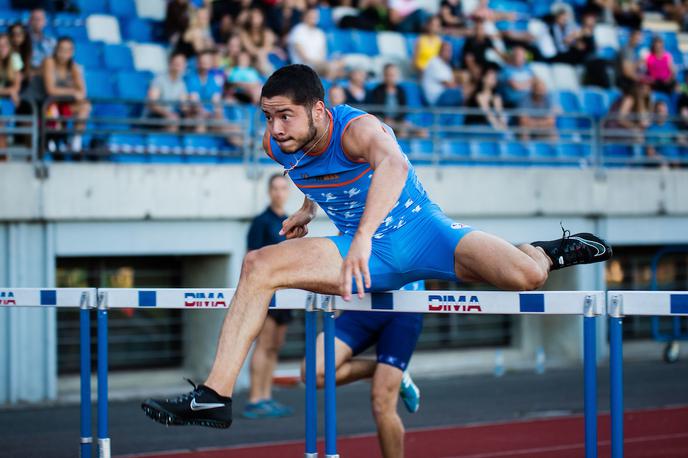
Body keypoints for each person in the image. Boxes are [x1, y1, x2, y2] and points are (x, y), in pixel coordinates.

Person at [141, 64, 613, 429]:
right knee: (258, 265)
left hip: (424, 233)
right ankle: (215, 395)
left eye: (285, 115)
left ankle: (551, 250)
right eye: (269, 116)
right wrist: (308, 209)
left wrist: (365, 235)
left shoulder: (358, 129)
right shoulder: (277, 144)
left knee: (526, 278)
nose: (277, 128)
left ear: (319, 111)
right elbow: (312, 169)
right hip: (358, 248)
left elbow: (393, 167)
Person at [305, 281, 424, 458]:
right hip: (362, 303)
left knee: (382, 403)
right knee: (314, 373)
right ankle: (387, 371)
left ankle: (390, 372)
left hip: (404, 306)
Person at [242, 174, 295, 419]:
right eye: (275, 188)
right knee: (263, 345)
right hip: (267, 294)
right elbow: (252, 259)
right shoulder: (261, 222)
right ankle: (255, 399)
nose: (279, 192)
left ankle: (266, 397)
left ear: (288, 192)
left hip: (286, 294)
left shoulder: (290, 222)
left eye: (283, 188)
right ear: (269, 191)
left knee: (275, 346)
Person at [42, 36, 90, 153]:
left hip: (64, 104)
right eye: (61, 49)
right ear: (56, 49)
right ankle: (54, 140)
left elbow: (83, 92)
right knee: (53, 110)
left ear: (72, 52)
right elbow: (50, 90)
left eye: (67, 50)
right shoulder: (49, 62)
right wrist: (72, 92)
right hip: (47, 105)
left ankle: (76, 141)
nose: (64, 53)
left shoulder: (74, 67)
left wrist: (70, 93)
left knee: (85, 106)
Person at [146, 52, 190, 132]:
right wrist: (168, 114)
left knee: (195, 120)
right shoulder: (159, 79)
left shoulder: (182, 83)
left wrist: (190, 108)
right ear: (170, 63)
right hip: (156, 116)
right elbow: (152, 104)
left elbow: (184, 106)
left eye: (181, 63)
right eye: (177, 63)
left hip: (173, 116)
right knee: (173, 120)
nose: (179, 65)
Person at [464, 66, 507, 131]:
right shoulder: (479, 96)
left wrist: (504, 127)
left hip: (491, 128)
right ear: (483, 79)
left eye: (495, 78)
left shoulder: (497, 97)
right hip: (477, 128)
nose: (494, 79)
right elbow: (488, 115)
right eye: (491, 77)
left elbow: (501, 115)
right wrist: (499, 129)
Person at [421, 41, 462, 107]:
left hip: (444, 95)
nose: (449, 53)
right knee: (464, 93)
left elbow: (452, 82)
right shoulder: (434, 62)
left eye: (450, 51)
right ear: (440, 51)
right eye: (447, 50)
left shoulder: (446, 65)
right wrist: (462, 87)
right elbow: (448, 84)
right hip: (436, 98)